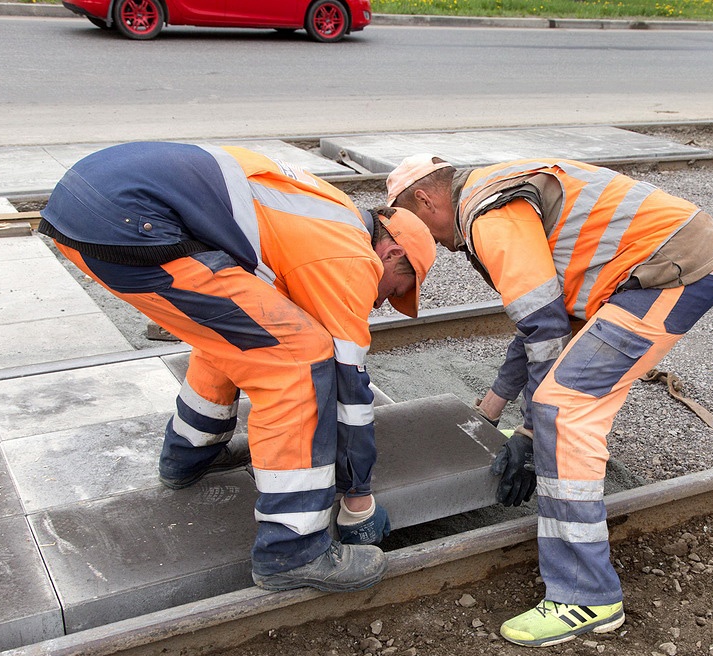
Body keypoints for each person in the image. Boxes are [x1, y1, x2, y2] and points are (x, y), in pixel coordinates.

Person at [39, 141, 436, 593]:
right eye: (395, 290)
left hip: (92, 202)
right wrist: (357, 494)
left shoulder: (329, 212)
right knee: (300, 359)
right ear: (389, 254)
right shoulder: (347, 257)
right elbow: (349, 387)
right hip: (131, 221)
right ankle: (292, 551)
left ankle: (190, 456)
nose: (381, 302)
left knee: (243, 334)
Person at [387, 154, 713, 646]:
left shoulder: (486, 213)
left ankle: (587, 596)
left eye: (418, 225)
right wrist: (488, 412)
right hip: (646, 268)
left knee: (563, 411)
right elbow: (538, 322)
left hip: (669, 272)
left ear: (426, 199)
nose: (430, 244)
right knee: (553, 404)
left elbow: (547, 330)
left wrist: (531, 431)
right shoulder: (492, 195)